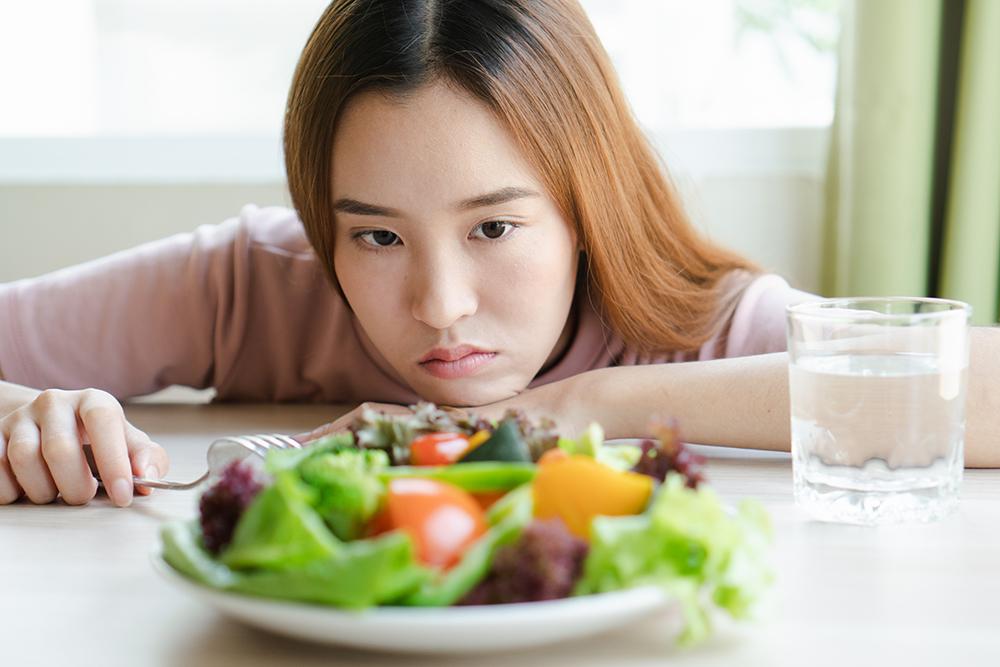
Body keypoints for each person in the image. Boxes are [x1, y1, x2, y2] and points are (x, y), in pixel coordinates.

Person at [1, 0, 996, 509]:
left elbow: (969, 384)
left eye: (493, 228)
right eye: (377, 236)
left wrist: (578, 405)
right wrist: (18, 416)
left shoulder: (689, 323)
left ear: (582, 204)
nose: (440, 305)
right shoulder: (257, 280)